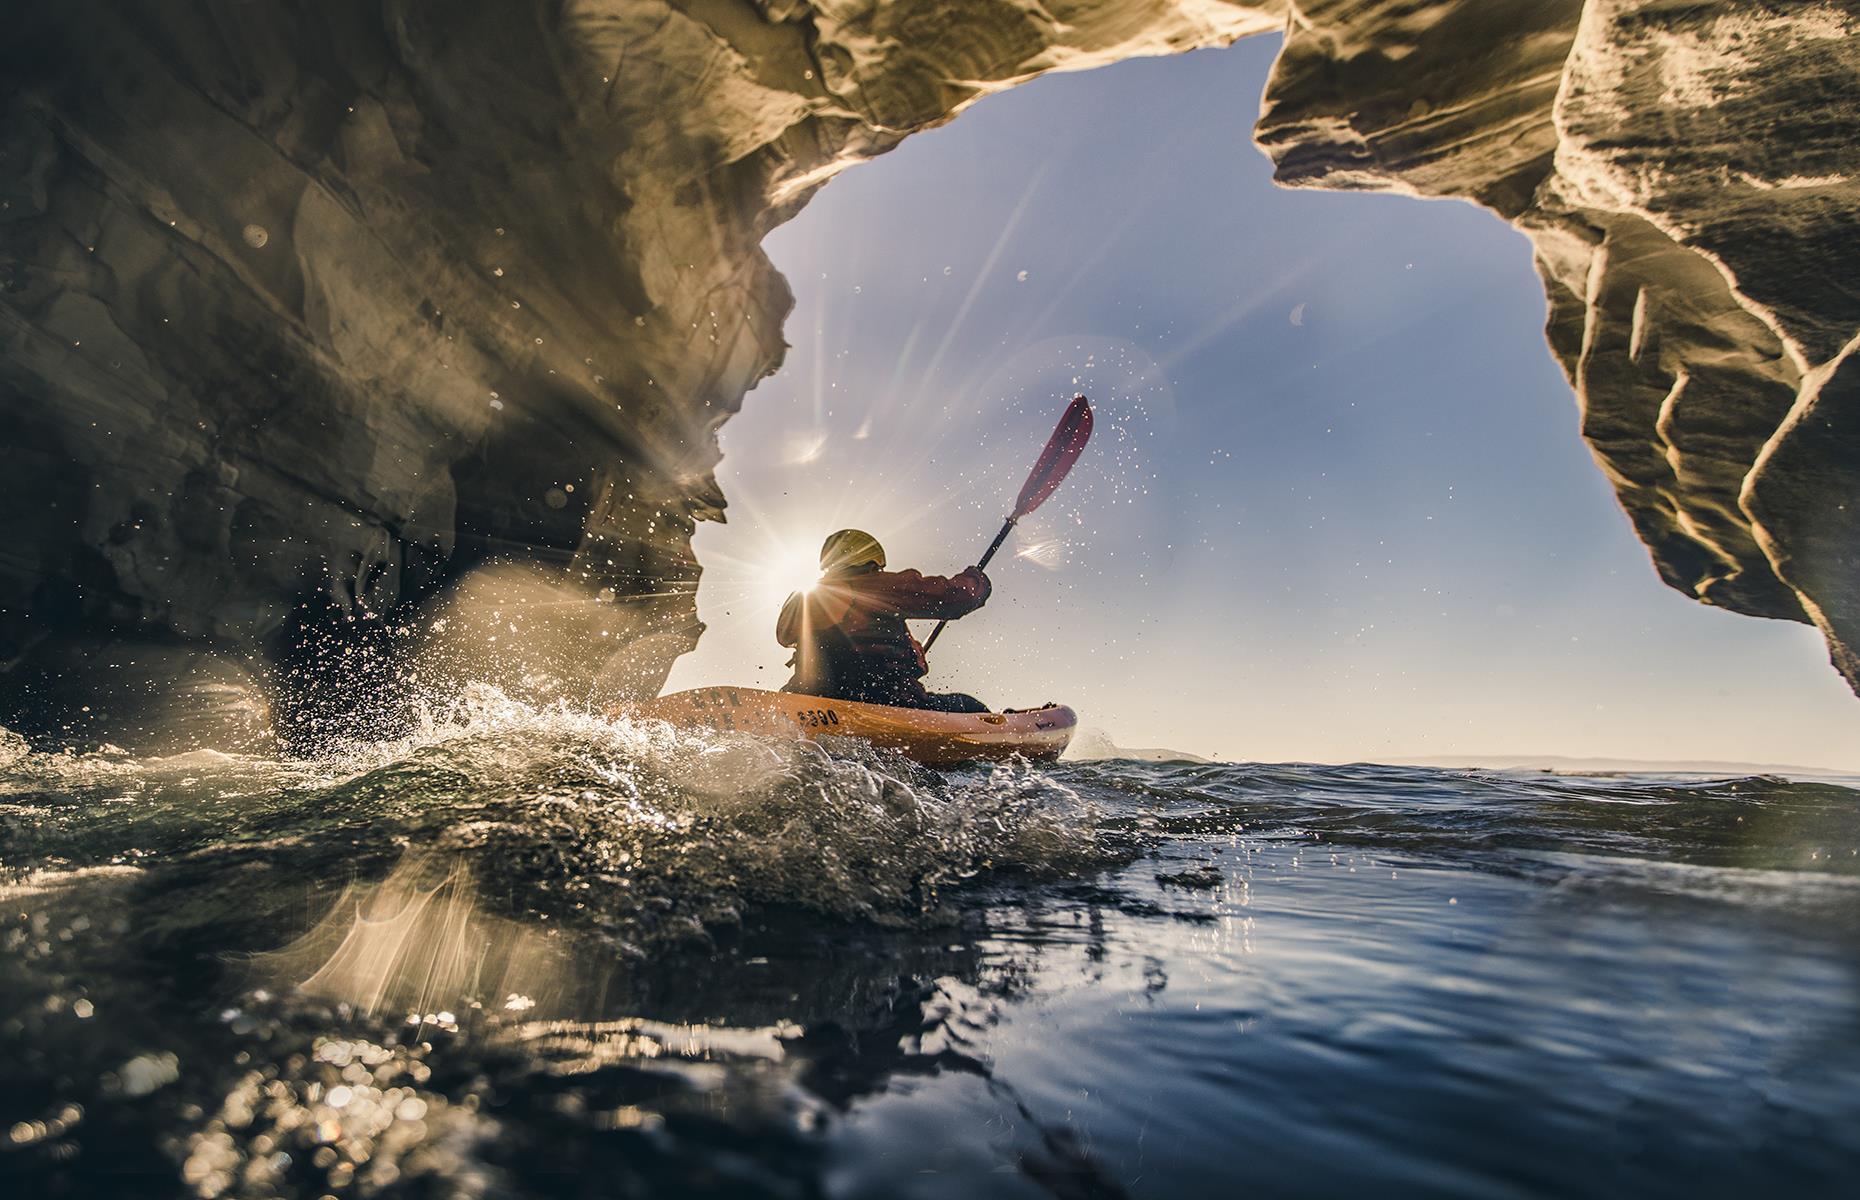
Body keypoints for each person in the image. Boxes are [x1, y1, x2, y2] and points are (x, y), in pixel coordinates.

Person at [777, 529, 993, 713]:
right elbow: (958, 597)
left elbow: (785, 636)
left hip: (811, 700)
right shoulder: (876, 587)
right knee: (969, 706)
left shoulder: (805, 599)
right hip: (886, 701)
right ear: (870, 559)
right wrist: (975, 577)